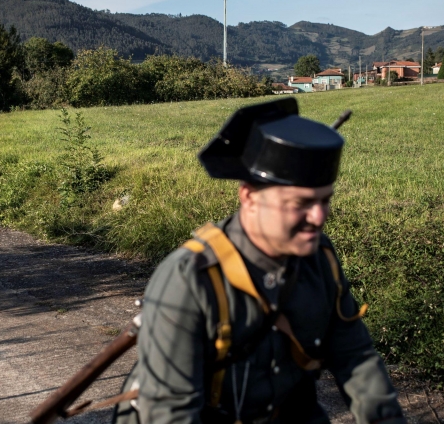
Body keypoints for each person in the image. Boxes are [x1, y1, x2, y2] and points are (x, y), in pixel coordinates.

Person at [113, 98, 405, 424]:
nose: (319, 217)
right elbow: (172, 413)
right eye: (301, 203)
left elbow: (356, 358)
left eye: (325, 200)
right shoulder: (190, 279)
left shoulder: (319, 260)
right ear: (249, 197)